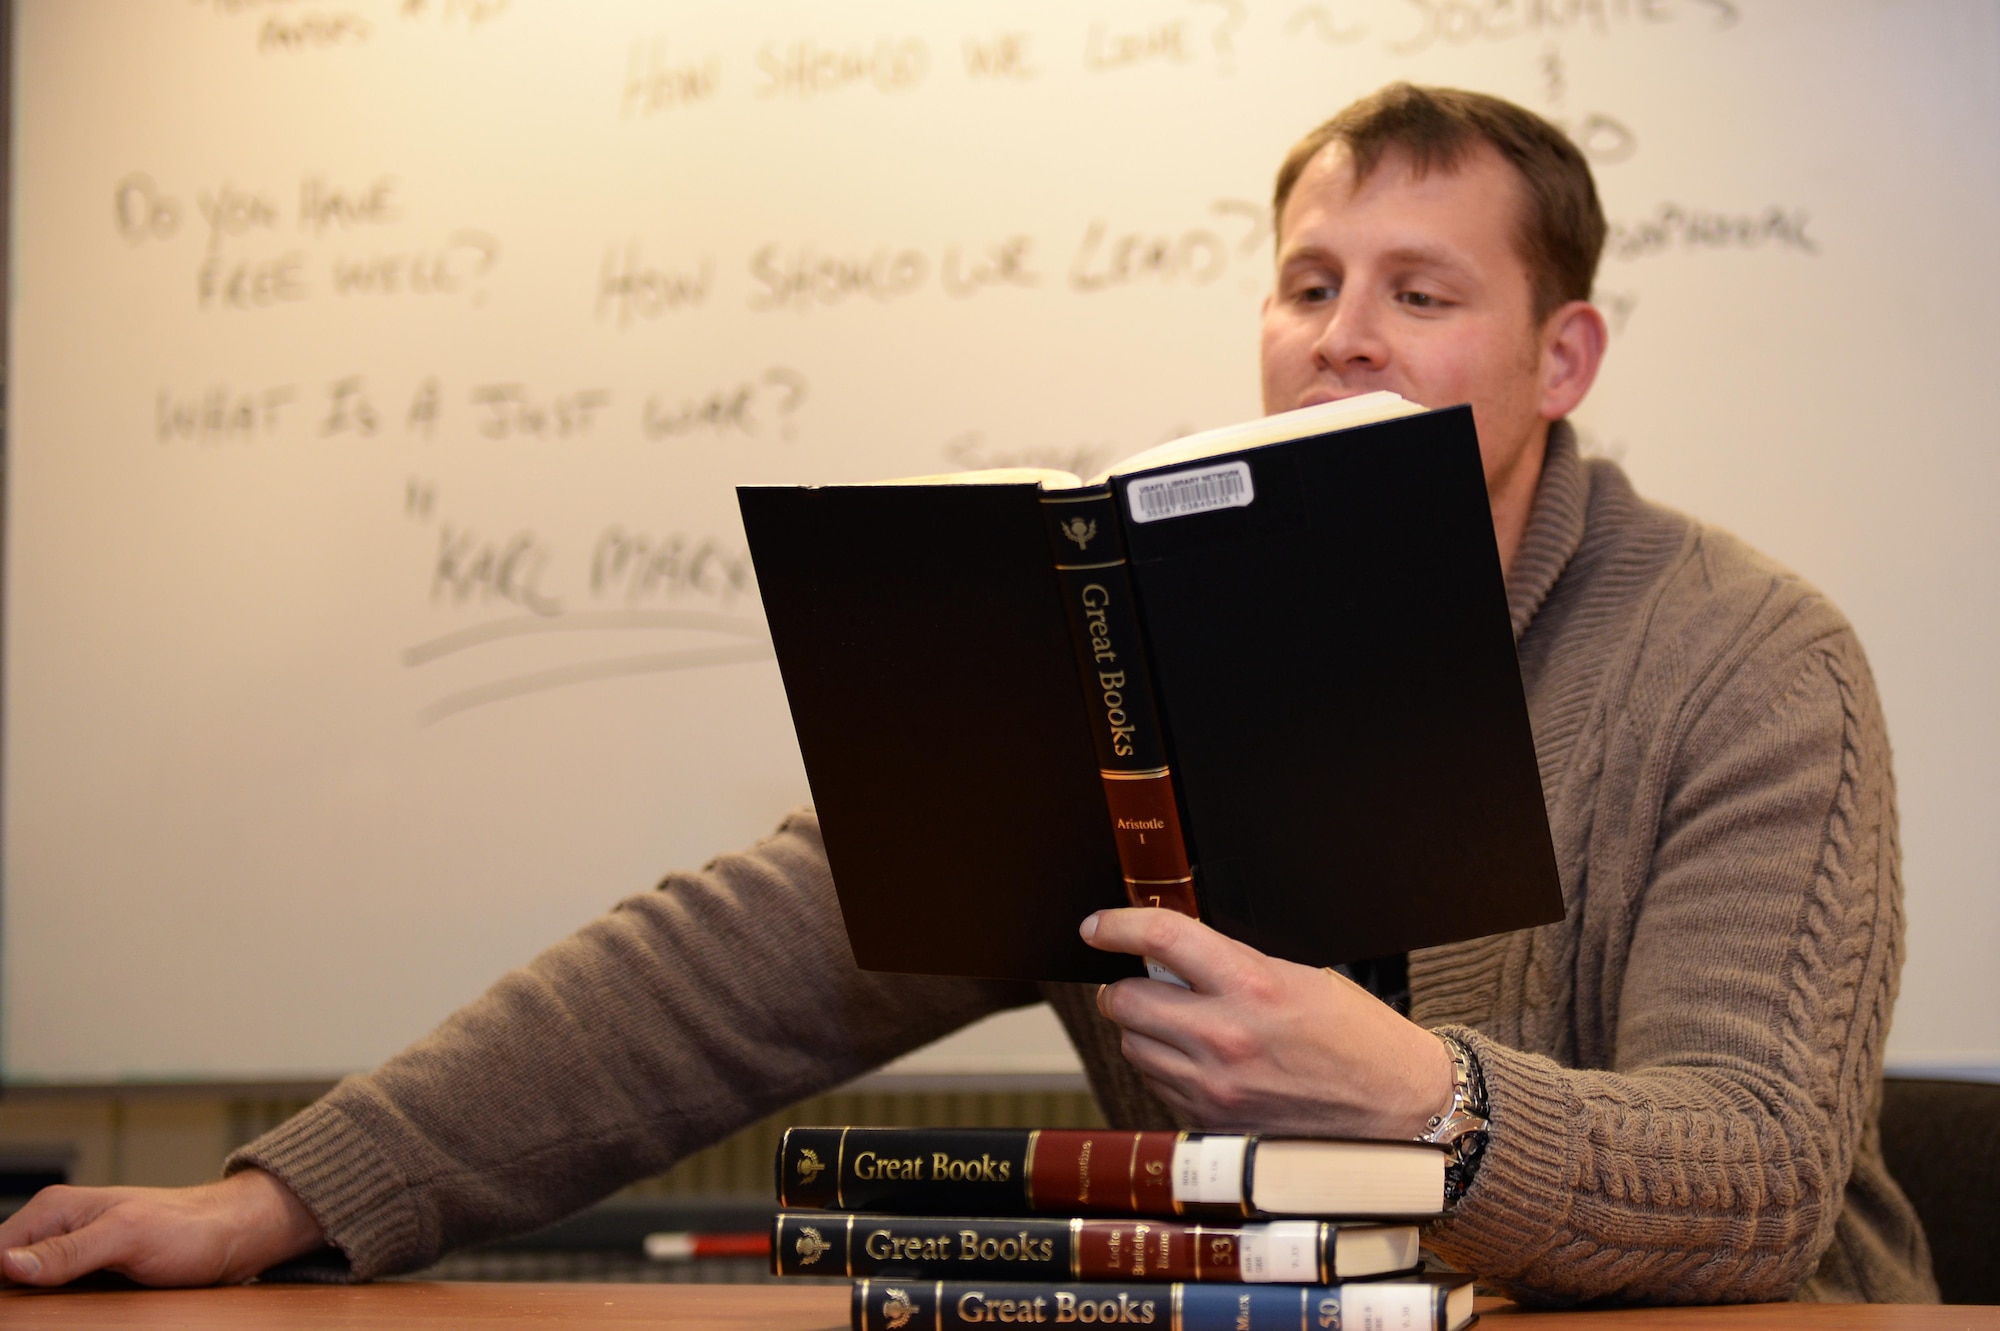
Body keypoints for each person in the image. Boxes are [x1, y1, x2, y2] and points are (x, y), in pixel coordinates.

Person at [0, 84, 1936, 1304]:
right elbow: (728, 967)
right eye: (1307, 280)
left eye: (1420, 295)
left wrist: (1421, 1100)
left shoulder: (1750, 660)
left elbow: (1758, 1171)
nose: (1339, 335)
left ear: (1562, 353)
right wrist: (285, 1199)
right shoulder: (1127, 635)